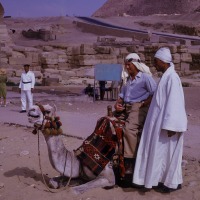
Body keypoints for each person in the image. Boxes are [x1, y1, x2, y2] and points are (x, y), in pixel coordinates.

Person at [132, 47, 188, 193]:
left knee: (167, 155)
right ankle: (160, 180)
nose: (155, 65)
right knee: (160, 155)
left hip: (167, 126)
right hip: (159, 123)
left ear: (163, 61)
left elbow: (175, 103)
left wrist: (171, 126)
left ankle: (170, 183)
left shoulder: (172, 78)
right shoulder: (166, 77)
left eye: (156, 62)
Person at [114, 53, 157, 174]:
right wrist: (117, 104)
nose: (127, 67)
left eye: (129, 65)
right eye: (126, 65)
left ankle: (130, 160)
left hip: (139, 107)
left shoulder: (145, 78)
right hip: (126, 108)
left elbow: (155, 93)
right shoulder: (127, 80)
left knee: (129, 129)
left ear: (137, 65)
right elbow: (121, 96)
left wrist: (145, 103)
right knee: (107, 121)